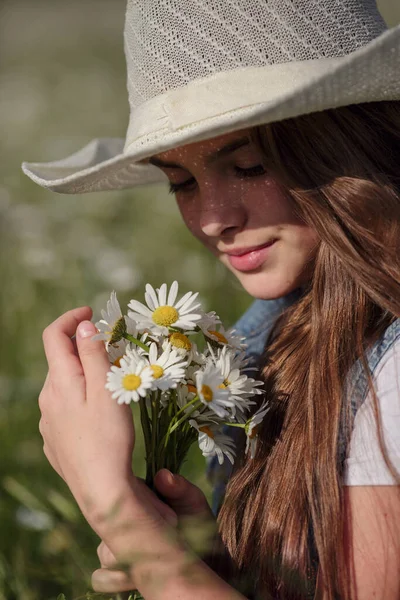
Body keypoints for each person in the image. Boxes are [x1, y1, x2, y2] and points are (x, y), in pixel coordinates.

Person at [22, 1, 400, 598]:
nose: (213, 219)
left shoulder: (392, 376)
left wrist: (119, 509)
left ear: (352, 143)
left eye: (249, 166)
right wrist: (206, 565)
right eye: (182, 182)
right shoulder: (276, 341)